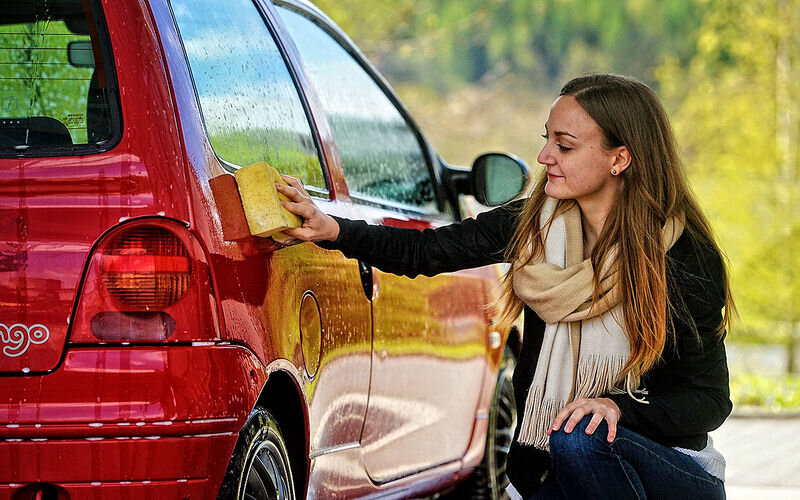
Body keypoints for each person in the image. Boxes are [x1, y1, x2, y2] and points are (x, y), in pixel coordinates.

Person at [274, 73, 733, 499]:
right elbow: (426, 252)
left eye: (565, 146)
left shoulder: (682, 256)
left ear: (620, 158)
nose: (543, 157)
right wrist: (333, 229)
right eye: (546, 139)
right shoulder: (536, 226)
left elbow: (709, 401)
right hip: (561, 464)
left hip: (670, 469)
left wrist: (618, 409)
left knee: (580, 435)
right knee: (573, 444)